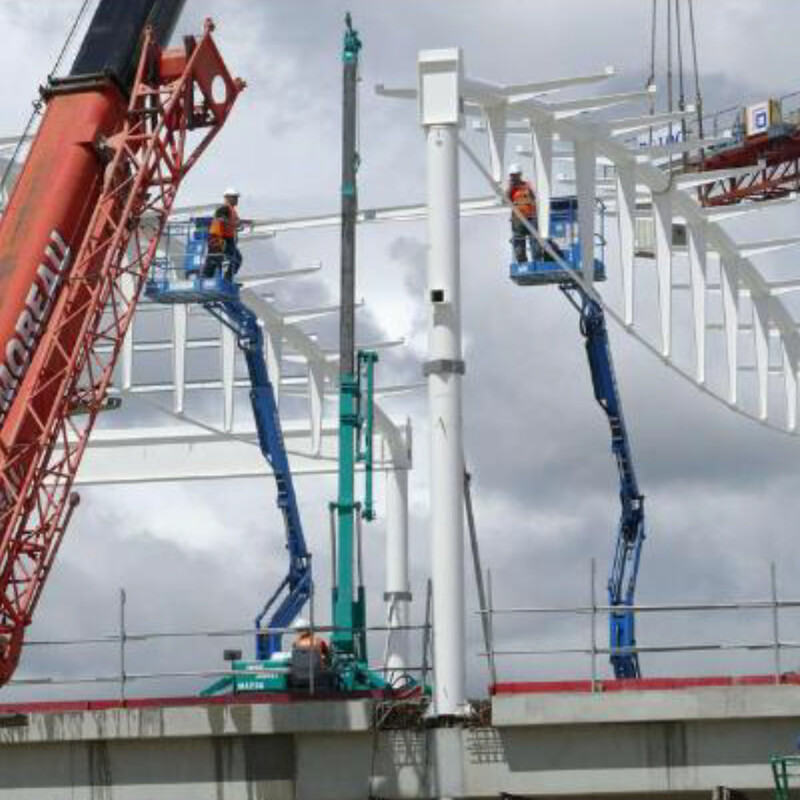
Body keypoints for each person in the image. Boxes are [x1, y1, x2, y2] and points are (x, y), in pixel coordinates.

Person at [204, 187, 244, 280]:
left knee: (236, 258)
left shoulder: (231, 211)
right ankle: (206, 280)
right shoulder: (224, 208)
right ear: (227, 198)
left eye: (236, 197)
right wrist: (233, 223)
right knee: (214, 260)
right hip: (217, 238)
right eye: (234, 197)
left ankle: (227, 278)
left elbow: (234, 222)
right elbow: (220, 218)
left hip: (227, 239)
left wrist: (238, 223)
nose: (236, 200)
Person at [506, 164, 540, 264]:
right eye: (512, 175)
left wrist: (528, 189)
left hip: (531, 217)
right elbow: (505, 199)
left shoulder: (526, 185)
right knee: (518, 243)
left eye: (516, 175)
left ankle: (536, 262)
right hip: (518, 220)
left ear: (520, 175)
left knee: (535, 241)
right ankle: (522, 263)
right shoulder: (510, 189)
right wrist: (510, 187)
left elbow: (533, 198)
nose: (514, 177)